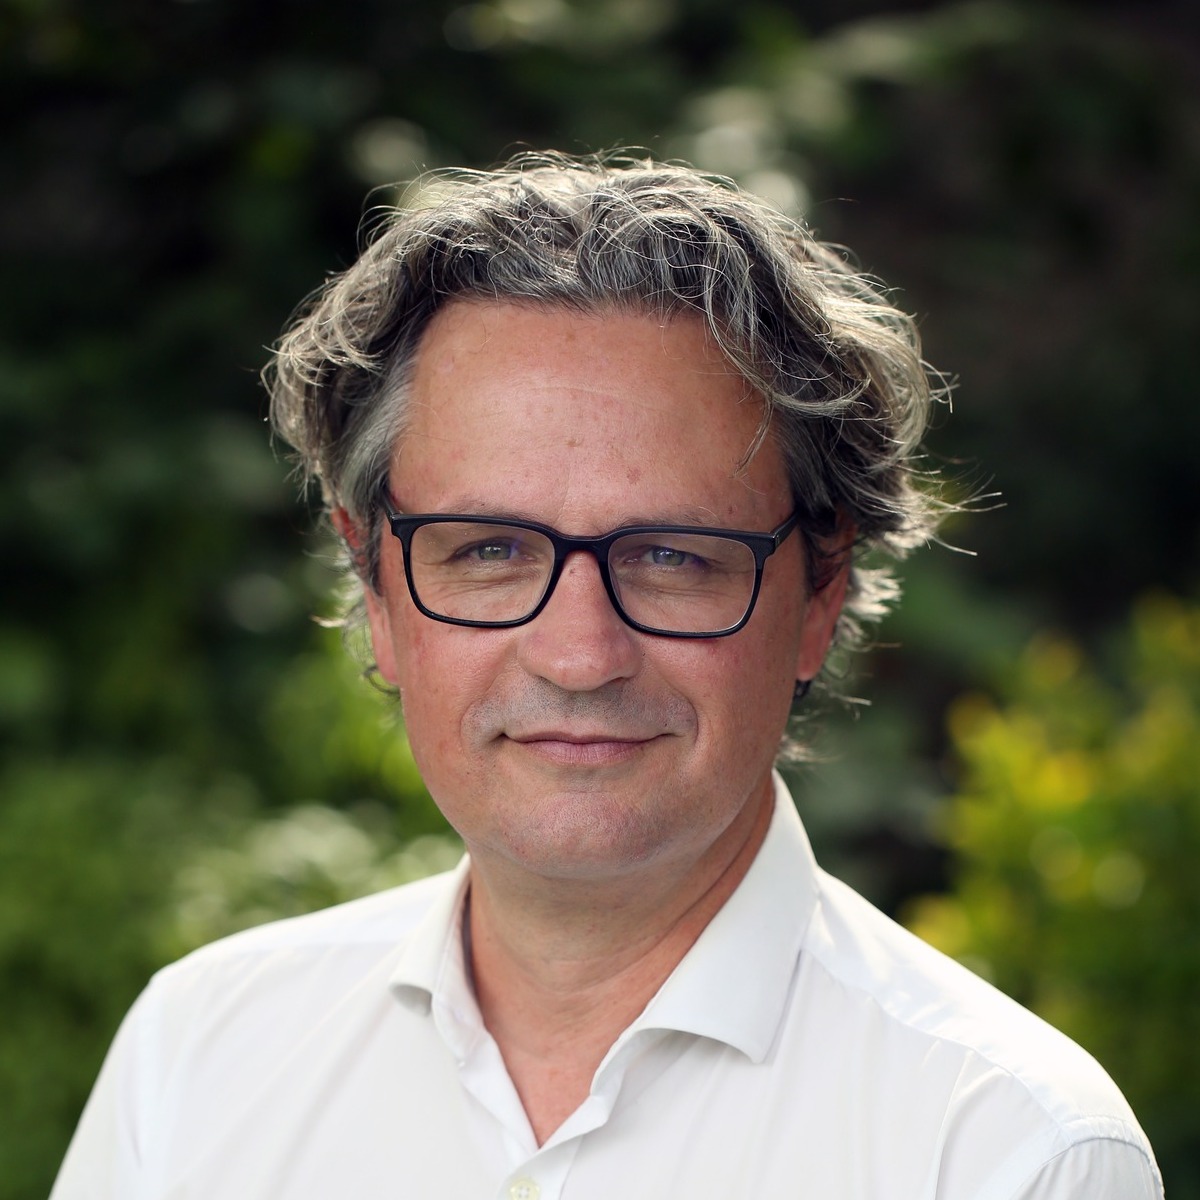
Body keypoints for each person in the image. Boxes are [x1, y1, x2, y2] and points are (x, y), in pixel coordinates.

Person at [52, 152, 1162, 1199]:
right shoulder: (196, 1059)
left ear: (820, 594)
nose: (579, 655)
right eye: (489, 550)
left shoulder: (1007, 1150)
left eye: (673, 556)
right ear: (376, 588)